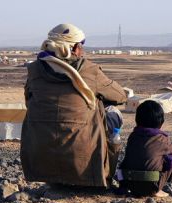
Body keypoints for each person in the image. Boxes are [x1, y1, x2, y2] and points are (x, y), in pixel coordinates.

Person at [20, 23, 128, 187]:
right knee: (113, 113)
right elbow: (120, 96)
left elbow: (29, 100)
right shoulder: (88, 70)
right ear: (74, 47)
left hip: (40, 159)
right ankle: (105, 175)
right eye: (81, 45)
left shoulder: (34, 70)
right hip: (83, 164)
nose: (82, 50)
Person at [117, 100, 172, 197]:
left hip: (130, 184)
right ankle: (158, 189)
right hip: (151, 187)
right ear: (161, 122)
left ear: (137, 119)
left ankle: (122, 188)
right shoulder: (163, 139)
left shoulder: (133, 136)